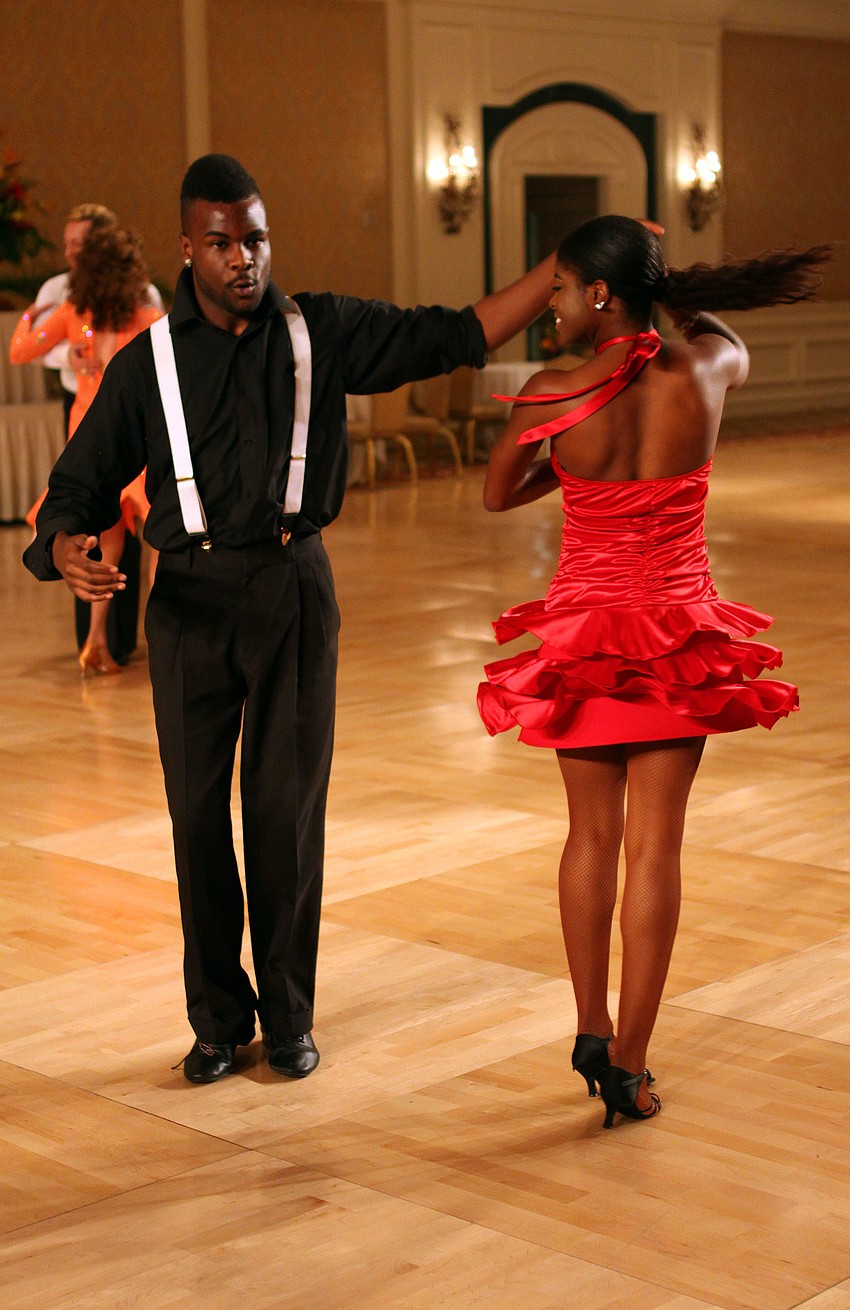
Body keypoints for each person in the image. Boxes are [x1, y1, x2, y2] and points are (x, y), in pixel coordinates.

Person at [23, 153, 557, 1085]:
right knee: (197, 820)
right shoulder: (148, 363)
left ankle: (291, 1016)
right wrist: (66, 546)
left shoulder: (322, 331)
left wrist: (557, 272)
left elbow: (456, 333)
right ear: (189, 247)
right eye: (222, 242)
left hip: (294, 594)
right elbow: (75, 486)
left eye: (256, 239)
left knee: (284, 816)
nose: (244, 259)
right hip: (186, 602)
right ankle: (218, 1023)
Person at [477, 216, 831, 1129]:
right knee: (654, 848)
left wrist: (576, 472)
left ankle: (590, 1025)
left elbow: (499, 491)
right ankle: (629, 1064)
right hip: (676, 640)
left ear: (599, 295)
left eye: (559, 288)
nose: (548, 305)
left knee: (587, 840)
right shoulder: (706, 373)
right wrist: (668, 285)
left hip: (588, 637)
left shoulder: (553, 389)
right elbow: (725, 338)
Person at [11, 225, 162, 675]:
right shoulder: (150, 320)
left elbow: (20, 351)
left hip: (91, 442)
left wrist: (28, 317)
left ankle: (96, 641)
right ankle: (165, 640)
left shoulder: (75, 314)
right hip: (139, 442)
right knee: (158, 543)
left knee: (105, 545)